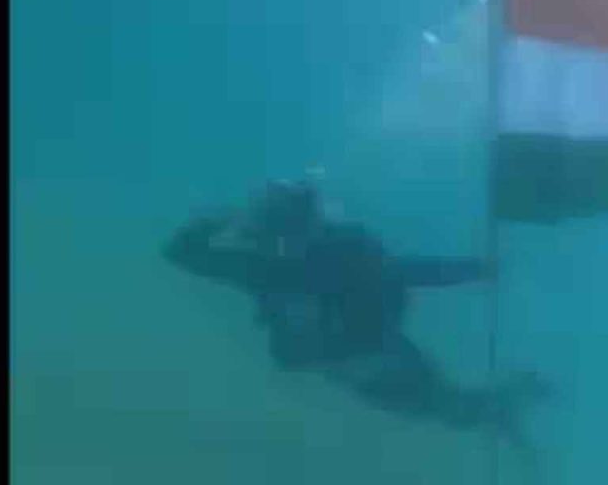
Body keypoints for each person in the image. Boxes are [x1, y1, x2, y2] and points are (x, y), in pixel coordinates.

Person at [162, 179, 548, 445]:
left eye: (286, 234)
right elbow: (181, 251)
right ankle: (512, 402)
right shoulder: (263, 268)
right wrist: (236, 218)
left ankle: (516, 399)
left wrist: (475, 269)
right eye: (275, 236)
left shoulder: (339, 254)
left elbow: (411, 270)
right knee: (440, 405)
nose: (284, 246)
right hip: (357, 359)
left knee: (441, 406)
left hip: (380, 355)